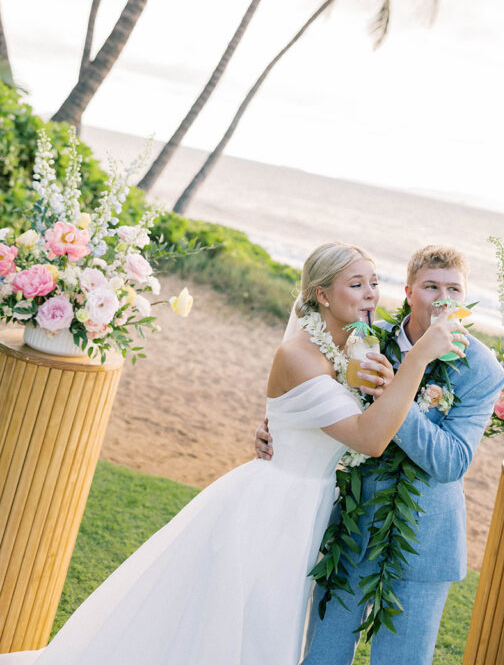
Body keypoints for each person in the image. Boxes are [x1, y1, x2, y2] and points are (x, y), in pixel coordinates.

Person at [3, 243, 465, 665]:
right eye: (356, 284)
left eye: (374, 283)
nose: (370, 294)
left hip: (311, 507)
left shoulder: (355, 345)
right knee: (242, 623)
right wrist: (419, 359)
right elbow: (368, 437)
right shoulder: (299, 354)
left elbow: (320, 417)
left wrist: (279, 426)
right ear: (322, 296)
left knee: (263, 621)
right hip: (273, 506)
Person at [256, 244, 504, 665]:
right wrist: (276, 427)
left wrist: (394, 395)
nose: (443, 298)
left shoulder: (482, 369)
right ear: (409, 291)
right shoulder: (365, 338)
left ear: (465, 298)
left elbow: (451, 462)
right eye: (431, 286)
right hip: (351, 529)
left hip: (425, 543)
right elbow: (314, 393)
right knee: (322, 654)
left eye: (454, 289)